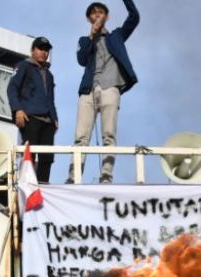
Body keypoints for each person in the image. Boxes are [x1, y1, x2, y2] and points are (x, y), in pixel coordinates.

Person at [66, 0, 139, 184]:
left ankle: (106, 175)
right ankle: (74, 176)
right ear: (89, 18)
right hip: (88, 90)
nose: (97, 15)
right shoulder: (84, 41)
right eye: (93, 13)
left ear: (106, 17)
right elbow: (82, 59)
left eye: (100, 12)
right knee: (80, 137)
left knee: (109, 134)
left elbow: (134, 18)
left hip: (110, 87)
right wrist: (91, 36)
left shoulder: (116, 36)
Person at [7, 36, 58, 183]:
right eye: (40, 48)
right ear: (33, 50)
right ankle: (28, 185)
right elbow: (12, 88)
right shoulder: (23, 66)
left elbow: (51, 99)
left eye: (46, 50)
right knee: (30, 154)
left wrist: (54, 119)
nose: (44, 52)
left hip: (48, 121)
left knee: (47, 157)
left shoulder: (49, 75)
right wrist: (17, 109)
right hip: (30, 118)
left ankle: (43, 187)